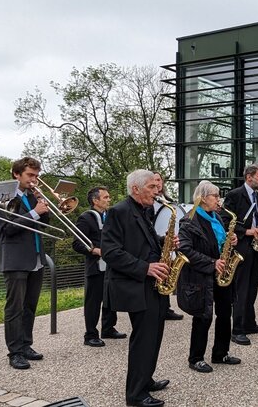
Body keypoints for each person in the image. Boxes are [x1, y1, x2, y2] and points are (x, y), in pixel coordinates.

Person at [101, 169, 170, 407]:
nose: (157, 190)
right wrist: (145, 268)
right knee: (143, 338)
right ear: (136, 189)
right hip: (135, 283)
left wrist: (165, 242)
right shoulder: (118, 212)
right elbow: (111, 252)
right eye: (152, 187)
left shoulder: (145, 209)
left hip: (151, 283)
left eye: (156, 186)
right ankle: (136, 395)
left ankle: (146, 378)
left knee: (155, 335)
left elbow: (142, 242)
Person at [176, 181, 241, 374]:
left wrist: (232, 241)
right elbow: (185, 249)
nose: (218, 199)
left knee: (224, 314)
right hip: (201, 276)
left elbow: (221, 242)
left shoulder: (217, 217)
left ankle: (221, 353)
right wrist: (212, 263)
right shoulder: (189, 220)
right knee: (203, 317)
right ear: (203, 198)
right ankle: (196, 358)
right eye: (215, 195)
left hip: (221, 272)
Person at [0, 157, 51, 370]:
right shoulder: (3, 196)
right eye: (30, 175)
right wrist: (35, 211)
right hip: (16, 259)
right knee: (15, 308)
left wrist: (43, 208)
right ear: (16, 174)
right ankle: (15, 352)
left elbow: (43, 225)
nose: (34, 180)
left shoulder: (31, 195)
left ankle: (26, 345)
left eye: (36, 176)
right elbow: (7, 228)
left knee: (30, 306)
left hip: (36, 257)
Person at [221, 164, 258, 346]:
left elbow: (255, 218)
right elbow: (226, 220)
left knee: (252, 287)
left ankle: (249, 322)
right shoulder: (234, 195)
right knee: (241, 289)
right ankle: (237, 329)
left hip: (255, 247)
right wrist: (247, 231)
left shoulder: (257, 195)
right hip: (241, 246)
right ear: (249, 177)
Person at [73, 186, 126, 347]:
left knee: (111, 297)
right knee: (93, 301)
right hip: (95, 266)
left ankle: (108, 328)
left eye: (108, 197)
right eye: (105, 197)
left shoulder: (110, 216)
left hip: (111, 265)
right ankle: (90, 334)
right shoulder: (85, 218)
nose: (109, 199)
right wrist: (95, 250)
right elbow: (77, 244)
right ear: (95, 200)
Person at [152, 172, 184, 322]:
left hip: (166, 242)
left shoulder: (167, 201)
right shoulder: (148, 202)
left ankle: (166, 308)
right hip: (154, 243)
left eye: (159, 180)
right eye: (154, 181)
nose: (158, 183)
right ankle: (158, 307)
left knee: (166, 272)